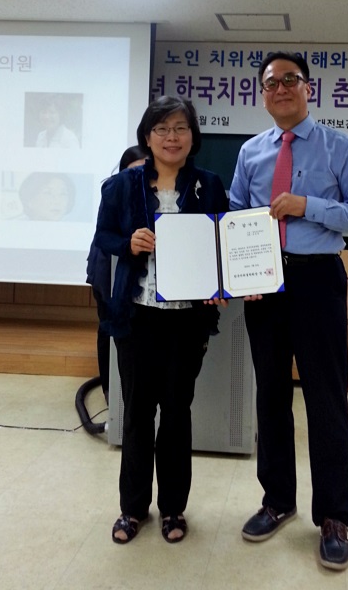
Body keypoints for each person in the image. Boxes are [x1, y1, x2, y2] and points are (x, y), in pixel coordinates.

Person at [229, 52, 348, 571]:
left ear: (308, 88)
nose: (281, 88)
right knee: (270, 394)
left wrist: (305, 206)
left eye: (290, 79)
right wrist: (241, 275)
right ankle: (277, 500)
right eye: (271, 83)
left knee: (326, 398)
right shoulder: (251, 152)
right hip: (265, 284)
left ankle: (334, 517)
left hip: (317, 279)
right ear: (262, 95)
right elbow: (236, 215)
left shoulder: (340, 146)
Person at [92, 96, 228, 546]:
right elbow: (104, 237)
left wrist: (222, 284)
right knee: (136, 414)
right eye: (162, 129)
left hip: (187, 320)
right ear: (147, 137)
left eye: (181, 128)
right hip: (137, 317)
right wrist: (128, 242)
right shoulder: (122, 185)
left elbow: (222, 245)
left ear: (193, 136)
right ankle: (132, 509)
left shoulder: (209, 185)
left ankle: (173, 508)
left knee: (176, 413)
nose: (172, 137)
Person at [86, 145, 149, 403]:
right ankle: (109, 392)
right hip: (106, 269)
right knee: (107, 326)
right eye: (134, 171)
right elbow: (105, 236)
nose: (139, 177)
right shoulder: (115, 190)